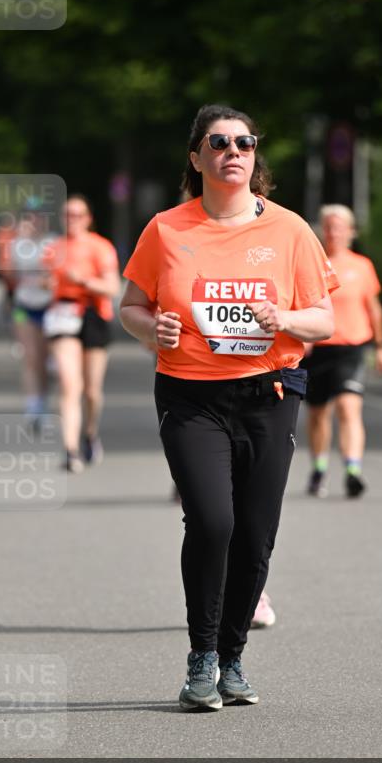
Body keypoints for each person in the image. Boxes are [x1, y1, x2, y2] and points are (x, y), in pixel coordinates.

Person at [120, 104, 338, 711]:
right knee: (213, 522)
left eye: (244, 142)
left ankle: (234, 656)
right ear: (197, 158)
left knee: (256, 535)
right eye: (218, 143)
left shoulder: (291, 230)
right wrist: (151, 329)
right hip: (191, 394)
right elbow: (129, 306)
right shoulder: (167, 229)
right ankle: (203, 656)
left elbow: (325, 318)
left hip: (268, 393)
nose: (233, 152)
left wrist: (285, 318)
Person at [304, 204, 382, 499]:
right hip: (318, 349)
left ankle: (353, 470)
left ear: (351, 232)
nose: (333, 232)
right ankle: (319, 468)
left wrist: (380, 347)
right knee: (317, 414)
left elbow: (373, 308)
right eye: (328, 226)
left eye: (339, 226)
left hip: (352, 347)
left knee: (349, 408)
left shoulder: (362, 266)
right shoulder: (311, 263)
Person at [42, 195, 120, 472]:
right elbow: (41, 285)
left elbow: (112, 287)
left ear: (88, 219)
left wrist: (84, 280)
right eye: (66, 215)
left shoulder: (100, 247)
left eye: (77, 215)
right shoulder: (53, 248)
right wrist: (47, 284)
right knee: (68, 382)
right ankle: (70, 449)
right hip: (63, 315)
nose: (71, 220)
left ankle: (89, 433)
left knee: (91, 391)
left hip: (93, 314)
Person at [2, 208, 56, 429]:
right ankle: (33, 405)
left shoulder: (53, 243)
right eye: (30, 217)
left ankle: (43, 400)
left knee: (46, 361)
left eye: (38, 217)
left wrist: (49, 279)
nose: (34, 221)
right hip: (23, 305)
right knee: (31, 357)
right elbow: (8, 274)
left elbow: (59, 272)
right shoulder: (17, 244)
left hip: (49, 305)